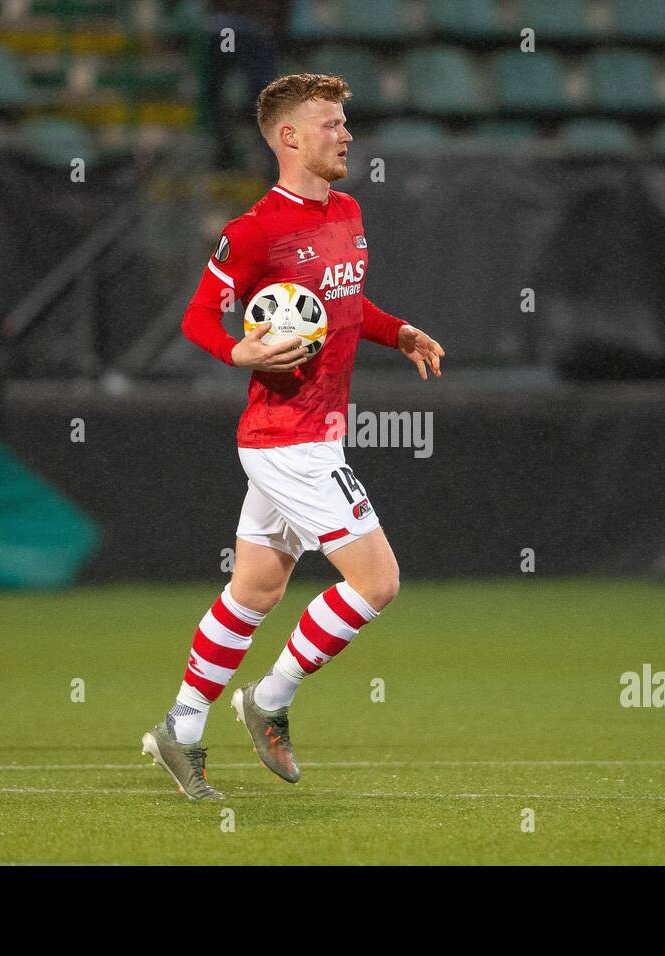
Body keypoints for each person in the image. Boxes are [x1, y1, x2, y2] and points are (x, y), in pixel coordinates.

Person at [142, 73, 446, 800]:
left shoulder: (347, 211)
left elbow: (345, 301)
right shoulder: (254, 233)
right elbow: (197, 318)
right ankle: (270, 698)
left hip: (316, 436)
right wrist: (236, 351)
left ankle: (179, 730)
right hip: (287, 439)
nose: (346, 134)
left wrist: (395, 331)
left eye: (346, 122)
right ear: (289, 137)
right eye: (332, 123)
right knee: (378, 581)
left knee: (255, 587)